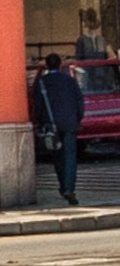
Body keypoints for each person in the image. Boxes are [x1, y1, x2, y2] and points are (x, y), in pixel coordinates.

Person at [36, 53, 92, 206]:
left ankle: (62, 185)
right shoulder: (70, 81)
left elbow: (38, 106)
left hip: (50, 125)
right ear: (60, 64)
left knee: (57, 157)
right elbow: (79, 102)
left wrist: (40, 123)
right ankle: (69, 188)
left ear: (46, 65)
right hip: (69, 123)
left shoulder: (42, 82)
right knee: (70, 157)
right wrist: (78, 118)